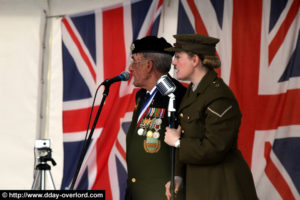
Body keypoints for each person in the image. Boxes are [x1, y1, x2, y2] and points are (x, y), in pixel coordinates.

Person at [164, 34, 258, 200]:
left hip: (222, 186)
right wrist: (178, 175)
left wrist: (178, 142)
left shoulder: (218, 96)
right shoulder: (193, 92)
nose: (173, 62)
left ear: (195, 60)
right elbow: (186, 133)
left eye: (178, 57)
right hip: (200, 184)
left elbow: (215, 147)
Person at [125, 36, 186, 200]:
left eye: (134, 61)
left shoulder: (177, 96)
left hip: (162, 193)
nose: (130, 68)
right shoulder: (141, 96)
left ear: (148, 65)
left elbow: (184, 149)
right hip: (137, 190)